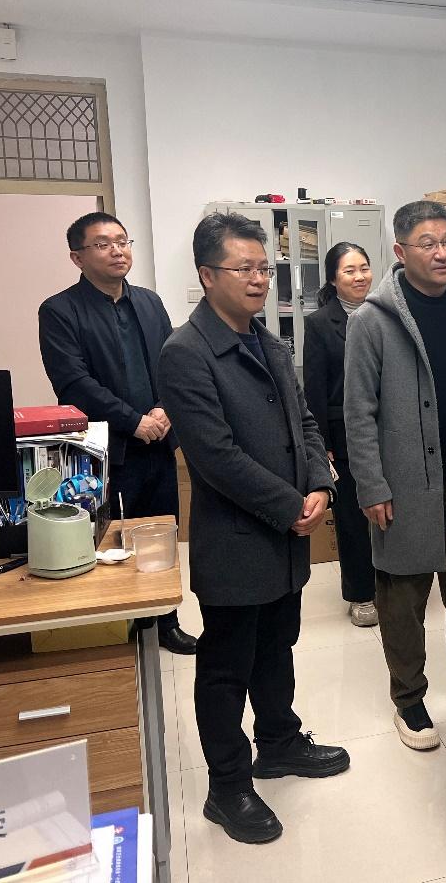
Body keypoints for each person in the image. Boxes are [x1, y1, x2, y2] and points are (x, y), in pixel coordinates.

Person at [158, 212, 349, 845]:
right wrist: (292, 505)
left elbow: (306, 423)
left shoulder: (269, 343)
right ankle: (227, 786)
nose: (259, 279)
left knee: (277, 646)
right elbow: (215, 457)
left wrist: (320, 483)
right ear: (207, 275)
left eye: (264, 267)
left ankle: (279, 742)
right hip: (237, 541)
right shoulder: (186, 353)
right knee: (226, 666)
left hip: (284, 537)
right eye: (244, 268)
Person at [344, 200, 446, 752]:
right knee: (402, 596)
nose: (442, 253)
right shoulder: (372, 321)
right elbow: (358, 413)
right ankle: (409, 700)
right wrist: (371, 485)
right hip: (403, 485)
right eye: (427, 243)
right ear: (400, 251)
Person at [38, 211, 197, 655]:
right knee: (116, 542)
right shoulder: (60, 311)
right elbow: (73, 383)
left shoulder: (149, 302)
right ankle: (123, 625)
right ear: (77, 257)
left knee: (162, 533)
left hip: (159, 444)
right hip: (109, 451)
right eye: (103, 243)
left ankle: (165, 622)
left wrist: (164, 408)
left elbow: (172, 362)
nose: (117, 250)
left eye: (123, 241)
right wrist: (134, 421)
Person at [303, 242, 377, 627]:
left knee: (388, 514)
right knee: (352, 519)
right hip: (343, 436)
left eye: (364, 268)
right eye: (349, 270)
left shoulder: (384, 314)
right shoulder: (320, 324)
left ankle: (391, 584)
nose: (359, 276)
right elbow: (315, 389)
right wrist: (322, 445)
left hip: (385, 431)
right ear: (333, 279)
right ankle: (361, 594)